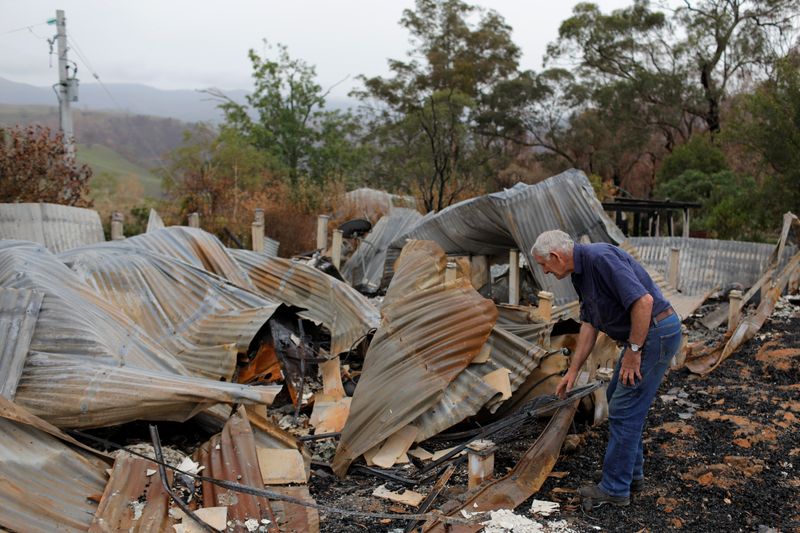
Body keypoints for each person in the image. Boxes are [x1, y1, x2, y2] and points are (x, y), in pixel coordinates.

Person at [531, 230, 682, 508]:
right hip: (644, 335)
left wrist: (634, 352)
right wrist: (572, 371)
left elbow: (644, 302)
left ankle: (615, 488)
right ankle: (629, 474)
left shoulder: (600, 259)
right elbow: (590, 323)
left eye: (544, 265)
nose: (546, 272)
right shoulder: (580, 273)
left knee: (625, 406)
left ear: (555, 256)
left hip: (655, 333)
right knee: (617, 396)